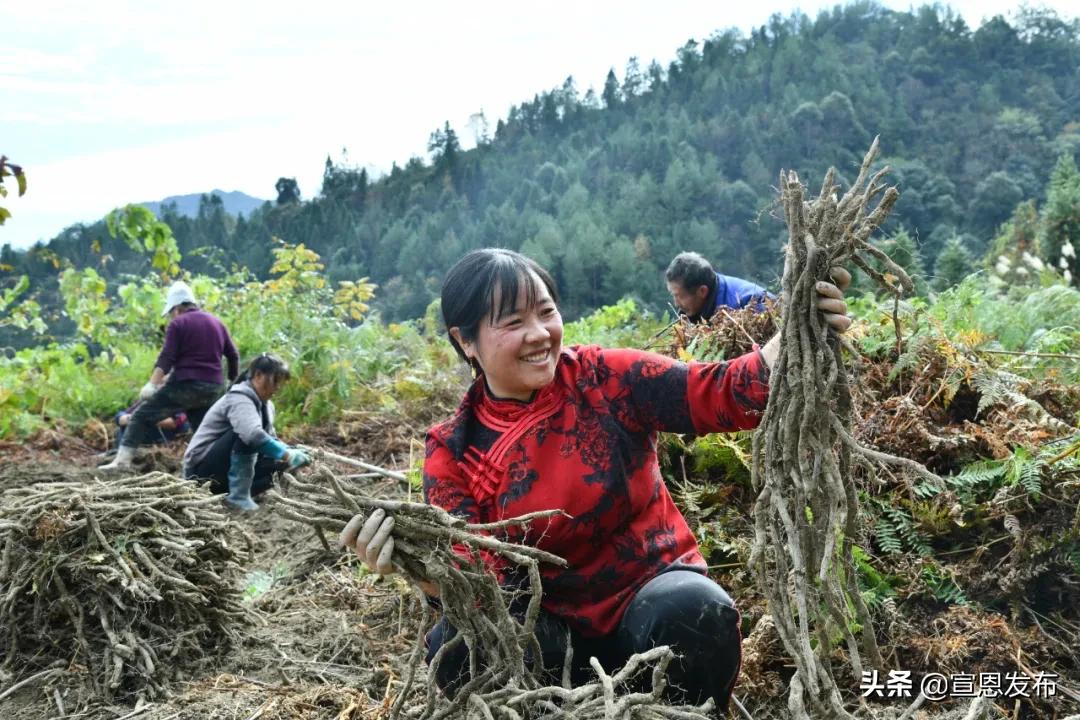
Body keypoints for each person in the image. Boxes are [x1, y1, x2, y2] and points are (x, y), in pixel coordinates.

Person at [341, 248, 852, 710]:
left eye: (546, 313)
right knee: (458, 645)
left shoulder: (606, 378)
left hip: (649, 602)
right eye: (514, 321)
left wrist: (800, 332)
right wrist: (421, 571)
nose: (540, 334)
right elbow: (475, 582)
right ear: (465, 340)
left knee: (694, 612)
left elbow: (718, 392)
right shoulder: (453, 450)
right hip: (550, 639)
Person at [100, 280, 239, 470]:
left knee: (141, 416)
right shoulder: (217, 323)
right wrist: (232, 383)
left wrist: (152, 384)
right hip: (213, 387)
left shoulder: (178, 324)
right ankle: (216, 467)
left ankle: (122, 462)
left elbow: (167, 357)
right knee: (204, 430)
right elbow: (233, 355)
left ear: (176, 308)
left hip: (185, 384)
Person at [182, 353, 311, 511]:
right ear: (258, 376)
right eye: (275, 381)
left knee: (281, 461)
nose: (277, 387)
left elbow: (270, 439)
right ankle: (238, 497)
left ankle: (237, 496)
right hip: (200, 473)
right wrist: (287, 454)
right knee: (248, 436)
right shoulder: (239, 398)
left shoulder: (267, 405)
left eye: (280, 383)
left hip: (224, 476)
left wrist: (291, 452)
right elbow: (252, 435)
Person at [665, 251, 776, 322]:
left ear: (702, 291)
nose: (676, 303)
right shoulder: (692, 309)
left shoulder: (755, 304)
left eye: (679, 296)